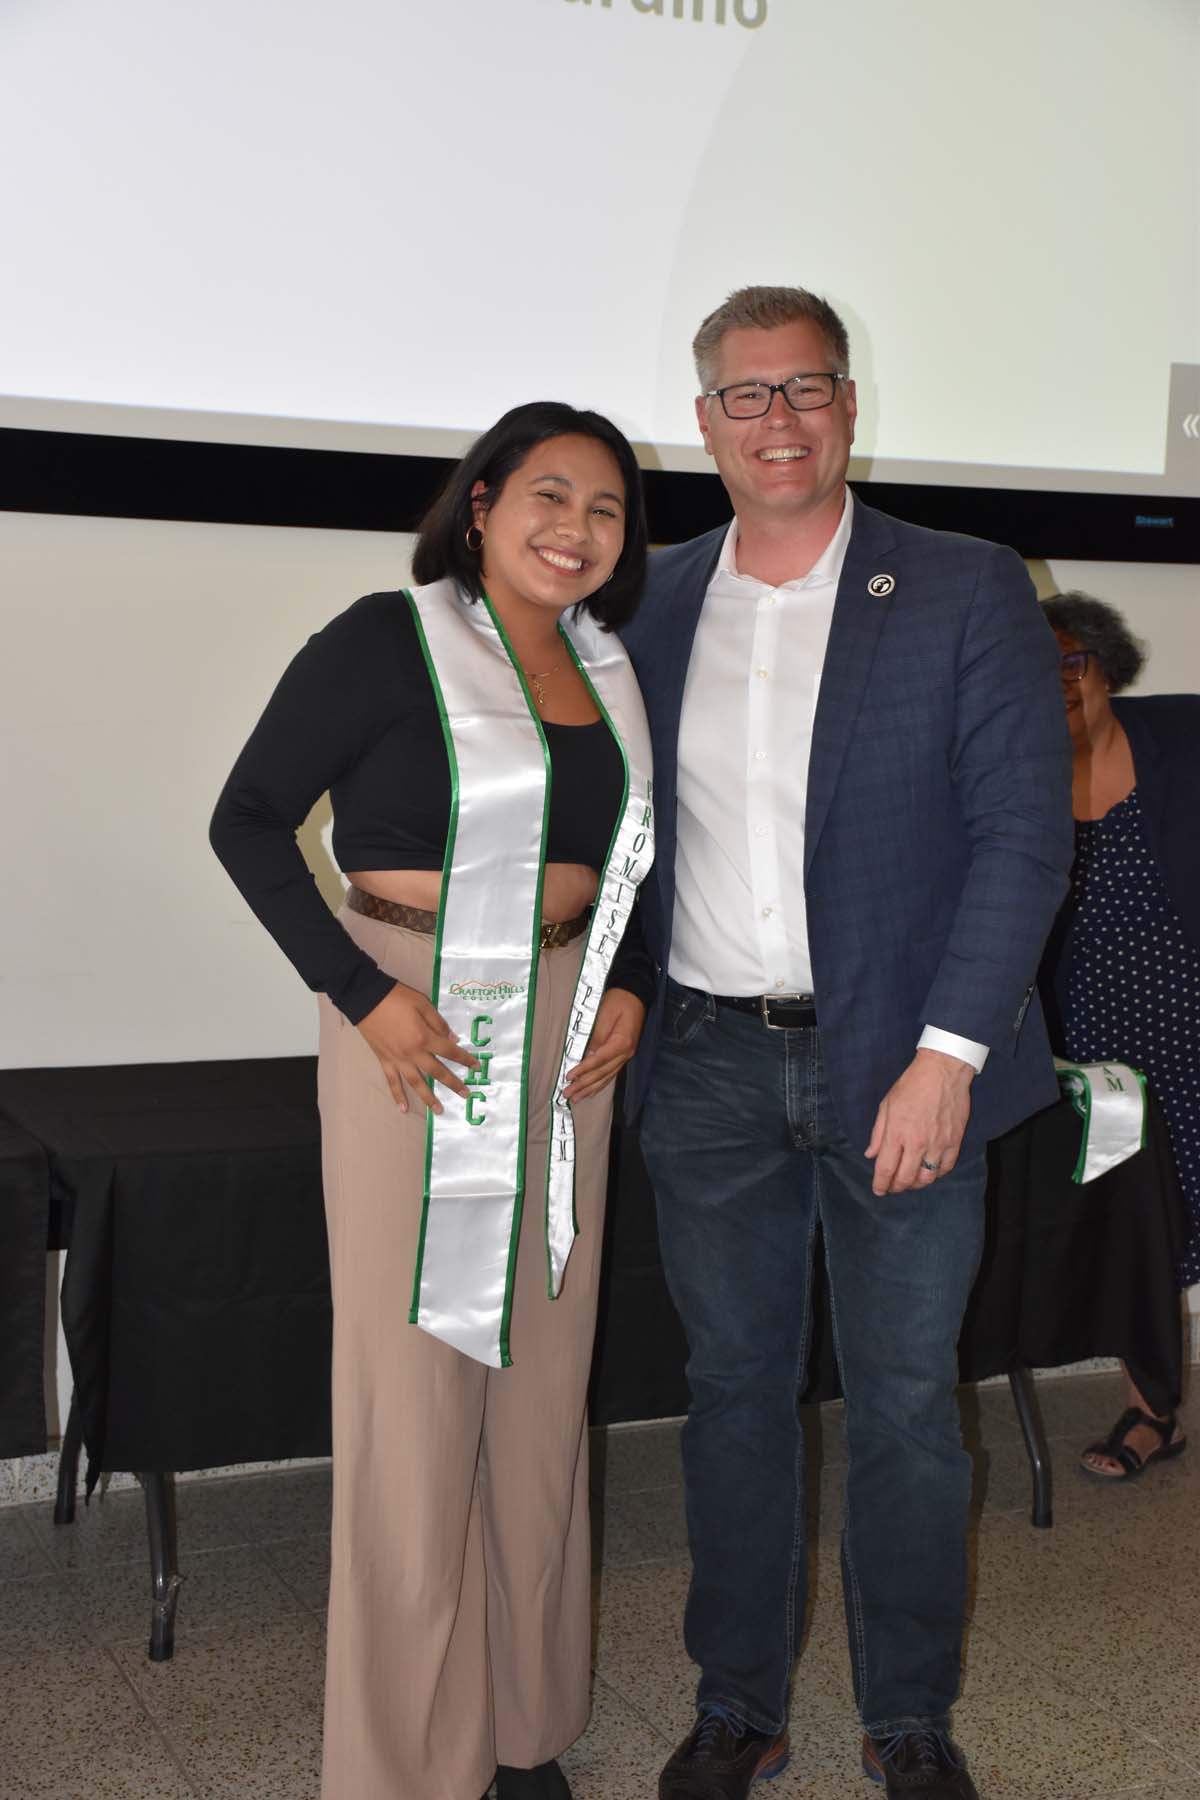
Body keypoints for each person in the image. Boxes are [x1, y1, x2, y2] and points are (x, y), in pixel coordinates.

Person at [619, 286, 1072, 1800]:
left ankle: (909, 1716)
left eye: (806, 388)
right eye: (746, 397)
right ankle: (738, 1700)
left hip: (902, 1069)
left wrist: (948, 1055)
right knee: (734, 1396)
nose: (780, 422)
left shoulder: (960, 583)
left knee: (899, 1410)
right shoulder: (658, 596)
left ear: (850, 402)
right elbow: (622, 831)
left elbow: (1021, 835)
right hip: (708, 1069)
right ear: (704, 425)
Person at [210, 401, 655, 1800]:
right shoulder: (382, 640)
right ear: (480, 504)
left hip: (570, 1035)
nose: (575, 528)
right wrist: (363, 994)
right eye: (548, 494)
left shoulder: (612, 672)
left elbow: (634, 857)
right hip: (417, 1031)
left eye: (604, 508)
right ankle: (408, 1759)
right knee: (417, 1401)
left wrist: (627, 980)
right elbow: (246, 820)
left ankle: (523, 1726)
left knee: (539, 1394)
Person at [1039, 590, 1198, 1480]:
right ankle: (1154, 1412)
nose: (1057, 682)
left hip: (1191, 1018)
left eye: (1072, 661)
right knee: (1137, 1226)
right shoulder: (1007, 771)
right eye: (1034, 667)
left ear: (1103, 664)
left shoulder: (1179, 737)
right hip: (1090, 1043)